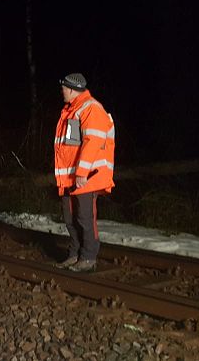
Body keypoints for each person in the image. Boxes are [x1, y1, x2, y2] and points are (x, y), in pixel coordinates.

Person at [53, 73, 115, 272]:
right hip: (71, 177)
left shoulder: (90, 108)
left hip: (87, 176)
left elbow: (93, 142)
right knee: (69, 217)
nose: (62, 91)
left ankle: (88, 257)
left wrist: (82, 172)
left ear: (72, 89)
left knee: (84, 218)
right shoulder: (72, 110)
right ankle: (75, 254)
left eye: (64, 88)